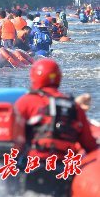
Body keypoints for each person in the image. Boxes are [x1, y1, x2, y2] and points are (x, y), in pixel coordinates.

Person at [15, 59, 97, 195]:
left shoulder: (25, 102)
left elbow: (13, 140)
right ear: (59, 77)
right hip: (62, 171)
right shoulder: (74, 107)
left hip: (32, 168)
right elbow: (90, 146)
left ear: (34, 77)